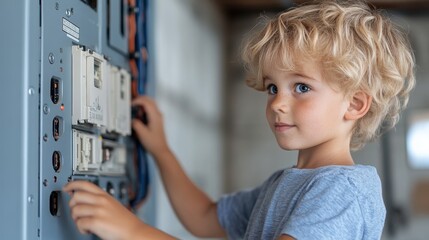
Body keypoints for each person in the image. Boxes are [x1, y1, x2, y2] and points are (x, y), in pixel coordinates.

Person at [63, 0, 415, 239]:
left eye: (302, 87)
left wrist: (134, 231)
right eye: (273, 87)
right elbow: (204, 218)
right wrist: (161, 150)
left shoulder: (344, 191)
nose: (278, 103)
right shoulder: (285, 184)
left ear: (354, 104)